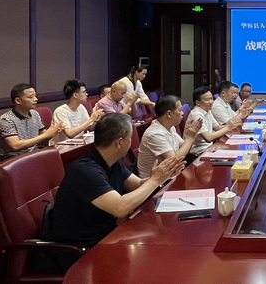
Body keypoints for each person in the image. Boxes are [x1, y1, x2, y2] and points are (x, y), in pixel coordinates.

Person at [51, 113, 184, 256]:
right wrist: (155, 180)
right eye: (130, 138)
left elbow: (137, 184)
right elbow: (120, 209)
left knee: (160, 236)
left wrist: (163, 175)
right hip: (83, 248)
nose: (131, 142)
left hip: (108, 234)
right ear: (120, 142)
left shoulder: (113, 160)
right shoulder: (85, 170)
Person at [137, 95, 202, 178]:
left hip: (169, 176)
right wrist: (190, 138)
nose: (182, 113)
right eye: (180, 110)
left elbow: (184, 148)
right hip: (155, 182)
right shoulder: (155, 134)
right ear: (169, 114)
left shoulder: (170, 127)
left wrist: (192, 134)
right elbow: (174, 160)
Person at [0, 84, 64, 160]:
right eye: (31, 97)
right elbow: (15, 145)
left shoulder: (34, 113)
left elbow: (44, 135)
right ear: (18, 100)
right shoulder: (5, 119)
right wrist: (45, 135)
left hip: (33, 155)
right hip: (14, 160)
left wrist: (53, 131)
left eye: (35, 96)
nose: (36, 99)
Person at [187, 87, 241, 158]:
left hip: (210, 147)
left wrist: (232, 125)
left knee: (235, 150)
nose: (211, 102)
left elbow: (217, 127)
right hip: (198, 153)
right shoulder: (196, 115)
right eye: (207, 100)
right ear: (197, 102)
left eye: (211, 99)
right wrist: (228, 127)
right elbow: (208, 138)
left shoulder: (207, 110)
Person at [52, 79, 104, 144]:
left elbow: (91, 127)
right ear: (75, 95)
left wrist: (97, 119)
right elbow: (70, 134)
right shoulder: (60, 111)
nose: (86, 94)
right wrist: (91, 119)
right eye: (84, 92)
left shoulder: (81, 107)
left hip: (78, 143)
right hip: (62, 146)